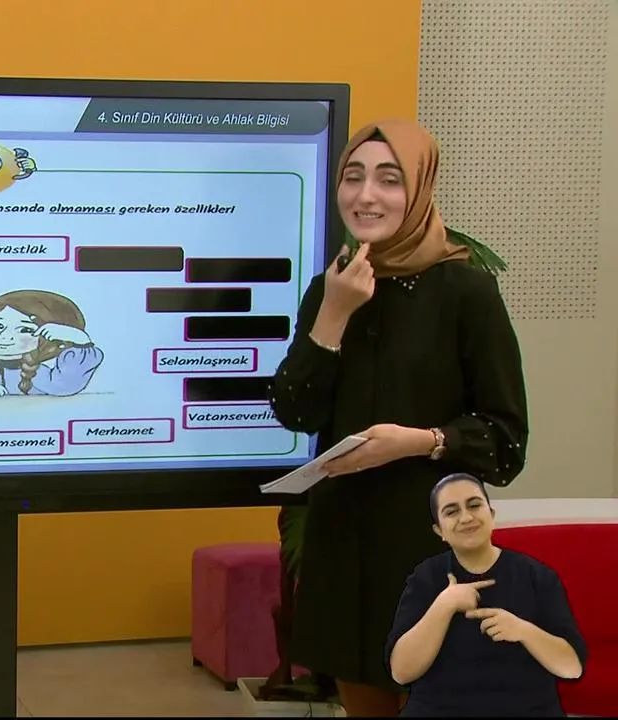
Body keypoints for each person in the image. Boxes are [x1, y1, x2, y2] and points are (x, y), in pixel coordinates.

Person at [267, 118, 530, 716]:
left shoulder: (466, 292)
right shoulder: (333, 287)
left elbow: (506, 441)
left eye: (389, 180)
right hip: (343, 550)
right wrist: (334, 314)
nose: (366, 195)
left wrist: (419, 441)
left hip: (427, 546)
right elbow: (295, 410)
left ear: (419, 189)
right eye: (353, 177)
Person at [386, 473, 587, 716]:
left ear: (491, 515)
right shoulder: (425, 577)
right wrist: (444, 606)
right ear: (439, 531)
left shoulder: (536, 576)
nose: (466, 517)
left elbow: (572, 668)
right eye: (451, 511)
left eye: (474, 505)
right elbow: (402, 672)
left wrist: (523, 631)